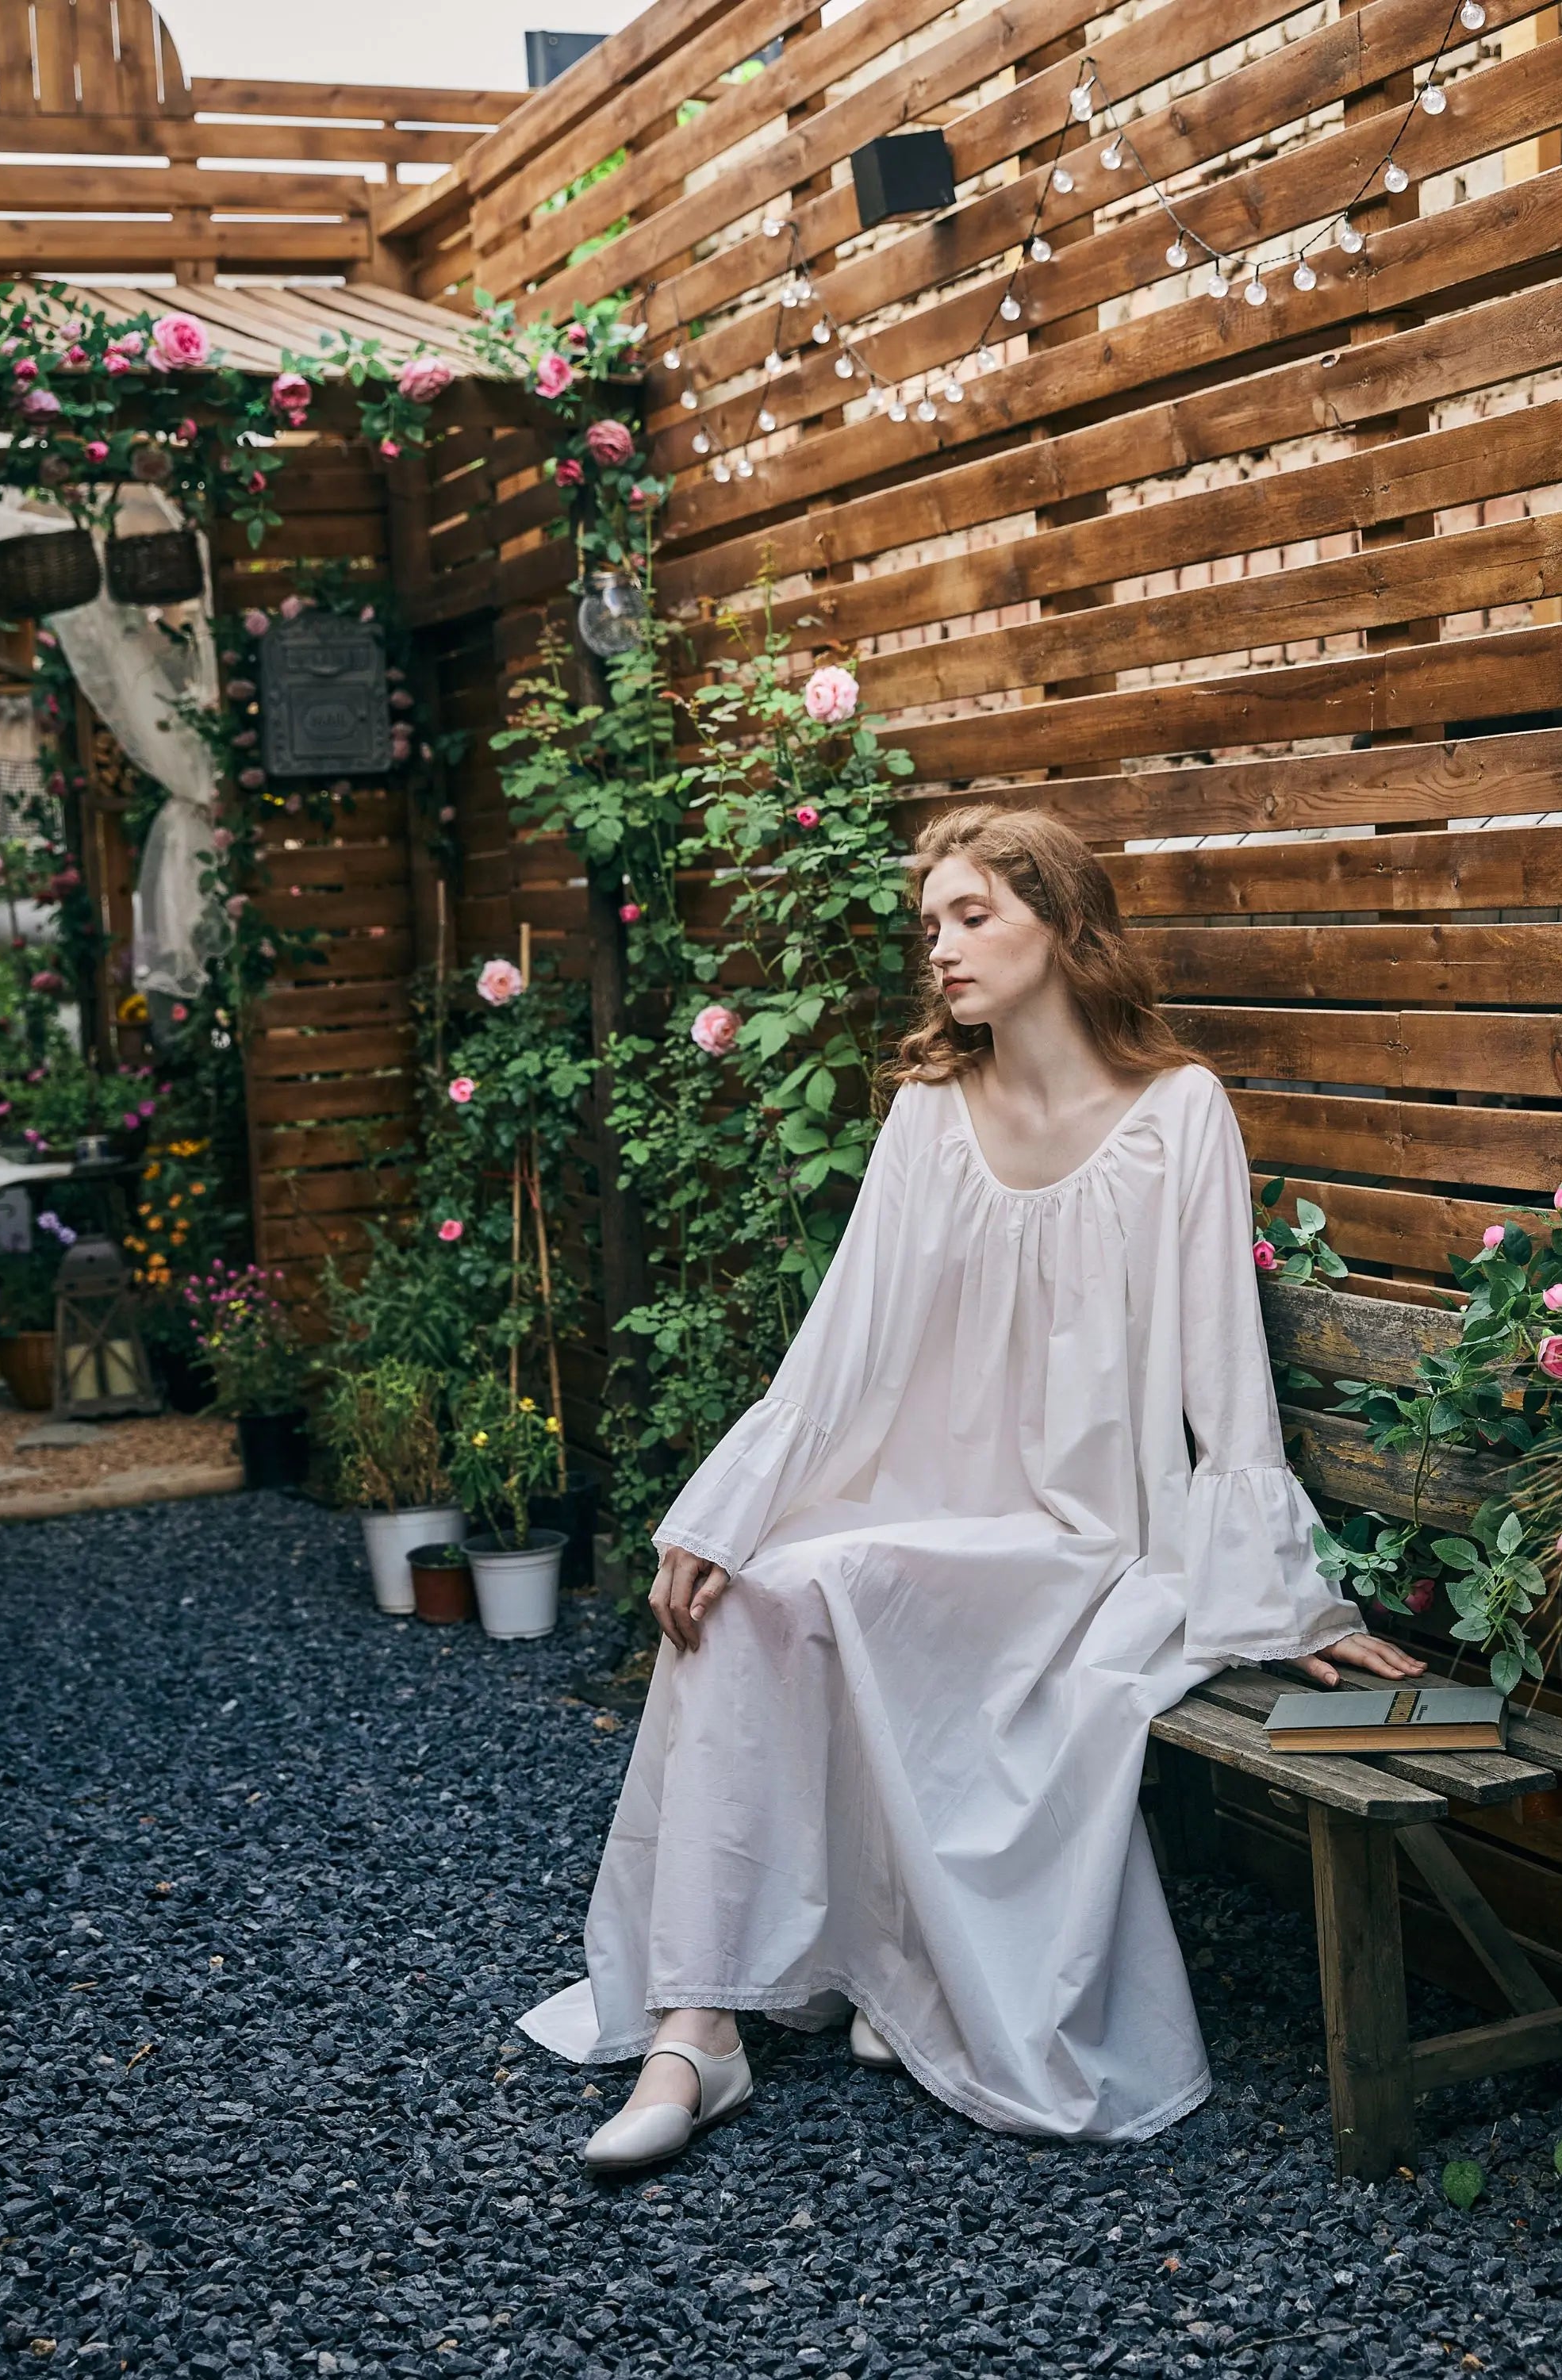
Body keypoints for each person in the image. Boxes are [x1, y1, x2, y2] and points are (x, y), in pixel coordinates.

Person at [517, 803, 1422, 2167]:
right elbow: (837, 1350)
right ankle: (691, 2030)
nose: (938, 948)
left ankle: (882, 1973)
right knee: (751, 1591)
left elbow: (1222, 1381)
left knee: (812, 1584)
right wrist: (723, 1511)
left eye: (971, 917)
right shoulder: (929, 1115)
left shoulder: (1179, 1115)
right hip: (924, 1506)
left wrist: (1283, 1602)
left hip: (1081, 1539)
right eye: (928, 924)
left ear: (1061, 925)